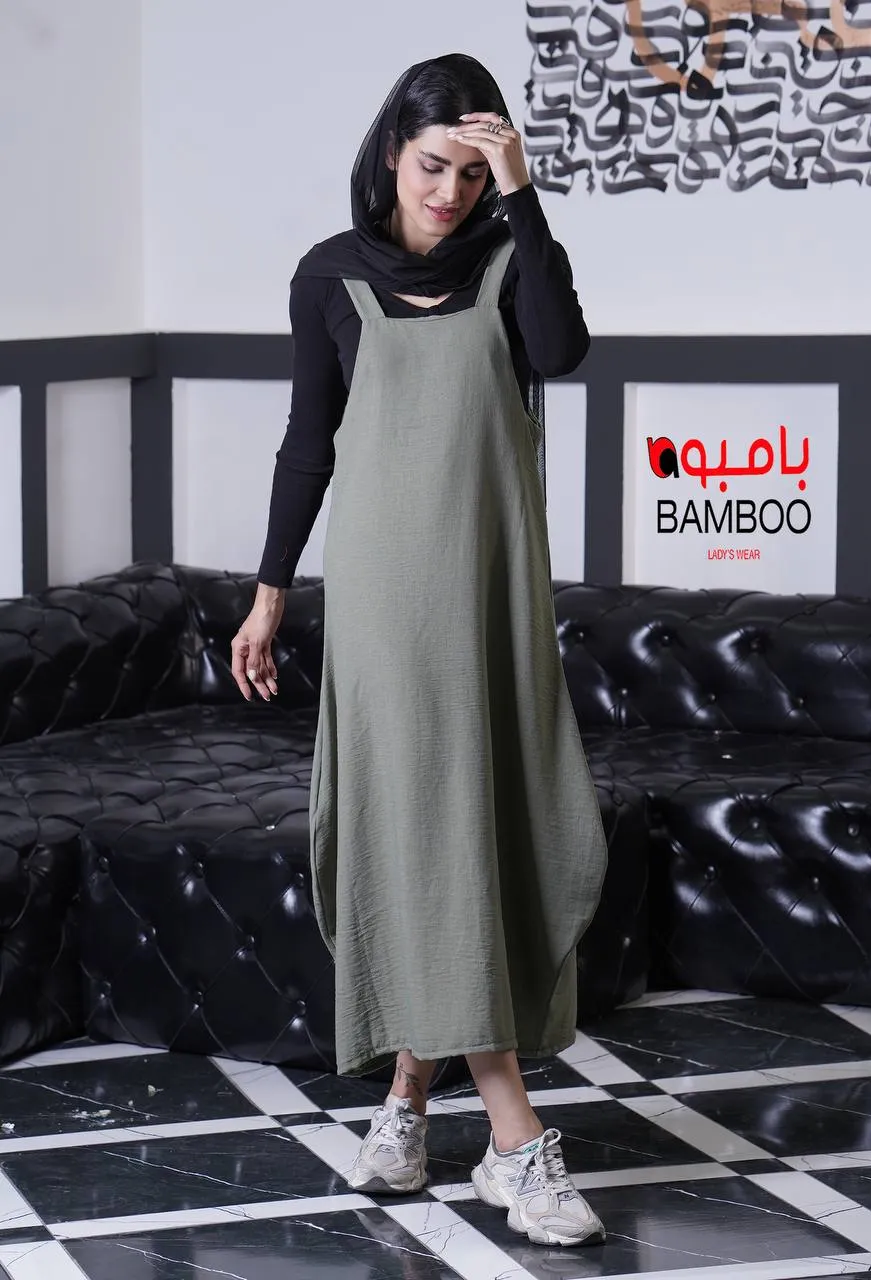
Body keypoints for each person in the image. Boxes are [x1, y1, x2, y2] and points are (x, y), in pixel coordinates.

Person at [231, 53, 609, 1249]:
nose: (449, 193)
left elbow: (562, 353)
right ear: (392, 151)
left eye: (471, 173)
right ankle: (514, 1137)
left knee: (467, 836)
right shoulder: (329, 277)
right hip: (383, 608)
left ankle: (404, 1098)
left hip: (488, 600)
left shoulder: (509, 262)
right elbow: (308, 441)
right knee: (421, 834)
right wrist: (268, 593)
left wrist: (523, 194)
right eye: (433, 165)